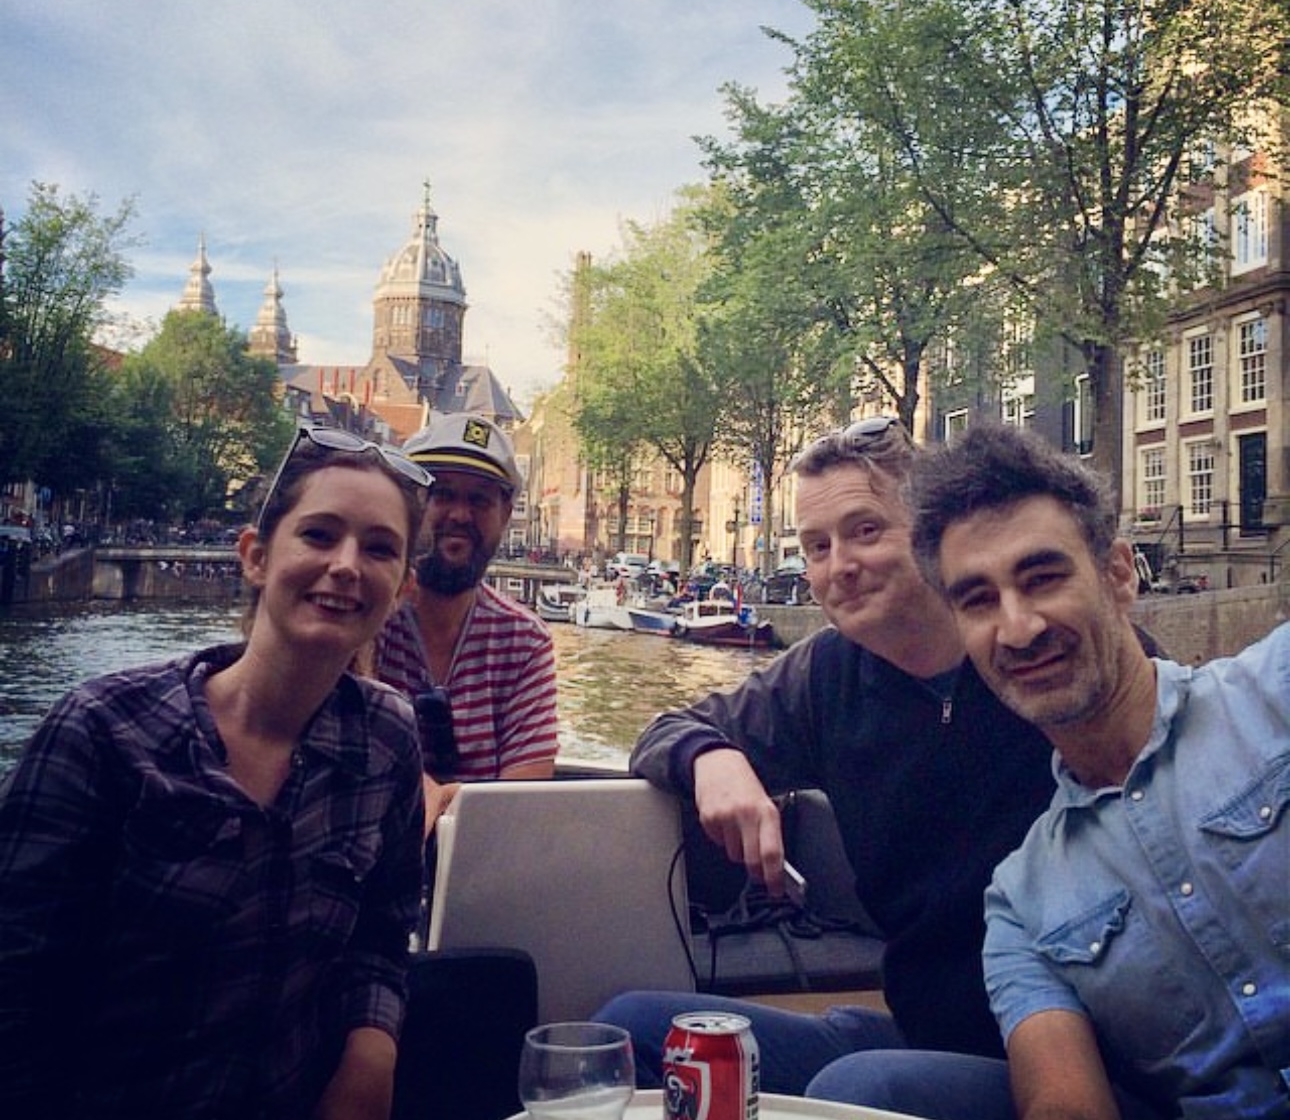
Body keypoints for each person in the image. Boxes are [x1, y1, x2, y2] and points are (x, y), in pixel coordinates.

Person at [594, 416, 1064, 1117]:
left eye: (866, 531)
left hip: (1053, 1052)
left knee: (856, 1090)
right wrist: (712, 757)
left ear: (932, 531)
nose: (837, 565)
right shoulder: (824, 676)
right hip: (921, 1033)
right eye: (816, 546)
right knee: (631, 1027)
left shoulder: (1037, 654)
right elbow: (673, 726)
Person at [0, 425, 431, 1120]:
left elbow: (381, 934)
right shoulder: (104, 731)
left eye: (379, 548)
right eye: (319, 535)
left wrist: (371, 1050)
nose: (348, 565)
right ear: (256, 557)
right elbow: (16, 1002)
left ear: (403, 588)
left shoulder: (387, 738)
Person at [907, 422, 1288, 1120]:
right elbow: (1064, 1100)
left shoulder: (1278, 690)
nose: (1018, 628)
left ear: (1118, 575)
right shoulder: (1021, 904)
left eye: (1043, 578)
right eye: (980, 601)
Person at [374, 412, 558, 831]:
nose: (459, 514)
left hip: (476, 864)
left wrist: (434, 797)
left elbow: (524, 796)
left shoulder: (524, 640)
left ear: (506, 513)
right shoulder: (368, 615)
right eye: (441, 494)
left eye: (479, 500)